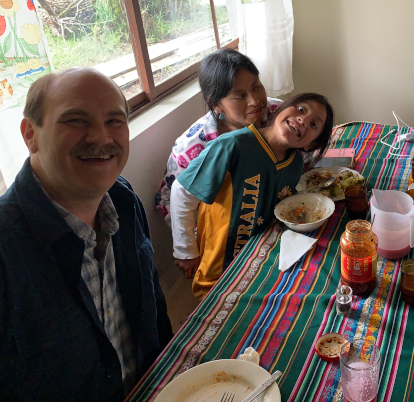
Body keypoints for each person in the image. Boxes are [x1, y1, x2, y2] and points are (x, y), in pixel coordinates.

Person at [0, 68, 172, 401]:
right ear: (30, 134)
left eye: (114, 121)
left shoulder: (122, 199)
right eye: (76, 120)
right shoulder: (7, 249)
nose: (102, 138)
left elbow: (152, 307)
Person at [171, 93, 334, 300]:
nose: (303, 119)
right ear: (281, 109)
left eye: (314, 125)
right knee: (214, 309)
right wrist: (185, 250)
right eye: (301, 109)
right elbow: (181, 192)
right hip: (218, 262)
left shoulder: (295, 166)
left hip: (257, 262)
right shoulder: (232, 146)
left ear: (311, 145)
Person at [156, 48, 283, 227]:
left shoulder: (279, 115)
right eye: (240, 96)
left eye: (256, 87)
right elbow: (171, 203)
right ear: (216, 105)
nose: (255, 101)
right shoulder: (192, 149)